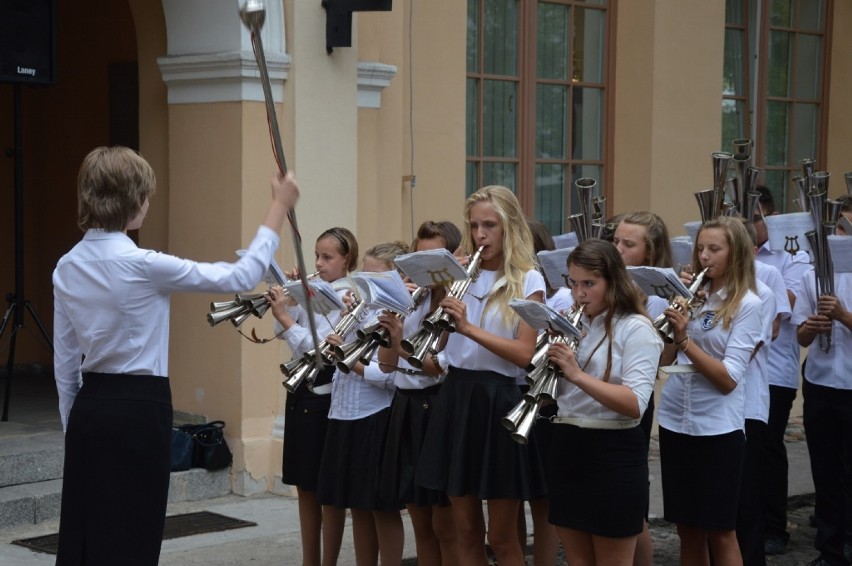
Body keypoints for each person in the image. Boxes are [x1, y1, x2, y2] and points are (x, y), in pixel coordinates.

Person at [52, 146, 298, 565]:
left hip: (89, 408)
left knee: (86, 531)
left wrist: (73, 425)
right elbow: (240, 276)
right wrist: (278, 206)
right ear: (132, 201)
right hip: (138, 408)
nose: (149, 204)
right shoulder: (142, 263)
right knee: (133, 531)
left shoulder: (66, 265)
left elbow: (64, 363)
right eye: (146, 195)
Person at [416, 185, 546, 566]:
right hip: (457, 396)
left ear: (509, 227)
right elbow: (441, 347)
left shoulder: (528, 280)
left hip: (500, 398)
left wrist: (468, 328)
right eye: (474, 226)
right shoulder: (461, 275)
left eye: (489, 225)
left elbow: (524, 354)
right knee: (465, 531)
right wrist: (438, 303)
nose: (480, 235)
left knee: (502, 536)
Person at [546, 238, 663, 566]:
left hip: (613, 453)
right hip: (568, 445)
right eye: (574, 283)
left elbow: (635, 404)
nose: (579, 293)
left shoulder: (637, 328)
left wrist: (576, 373)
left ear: (613, 281)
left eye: (589, 284)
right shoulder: (574, 325)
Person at [657, 215, 762, 566]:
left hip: (717, 427)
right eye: (700, 248)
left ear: (736, 254)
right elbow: (664, 360)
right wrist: (675, 323)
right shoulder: (694, 296)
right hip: (676, 420)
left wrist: (686, 339)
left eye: (714, 249)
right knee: (687, 529)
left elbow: (729, 378)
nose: (704, 256)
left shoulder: (748, 304)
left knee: (720, 530)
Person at [267, 226, 359, 566]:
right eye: (317, 256)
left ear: (346, 259)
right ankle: (310, 560)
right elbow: (282, 332)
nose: (319, 263)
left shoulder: (348, 295)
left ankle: (328, 561)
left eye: (327, 257)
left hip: (325, 395)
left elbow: (320, 348)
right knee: (304, 485)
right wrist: (289, 300)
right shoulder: (315, 289)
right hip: (301, 393)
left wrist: (287, 316)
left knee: (327, 490)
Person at [317, 241, 409, 566]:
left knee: (380, 507)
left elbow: (387, 375)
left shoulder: (395, 313)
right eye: (365, 277)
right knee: (357, 507)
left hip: (375, 414)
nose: (367, 286)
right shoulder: (361, 308)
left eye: (376, 278)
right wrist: (342, 324)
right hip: (343, 410)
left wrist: (348, 358)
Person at [379, 220, 462, 566]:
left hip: (438, 408)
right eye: (420, 256)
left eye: (435, 257)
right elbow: (386, 363)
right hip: (406, 408)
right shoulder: (414, 299)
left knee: (445, 525)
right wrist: (393, 318)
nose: (425, 266)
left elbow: (439, 367)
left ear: (453, 259)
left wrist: (401, 346)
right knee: (421, 523)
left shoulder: (458, 302)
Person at [750, 185, 812, 556]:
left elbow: (786, 303)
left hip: (774, 369)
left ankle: (774, 526)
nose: (749, 225)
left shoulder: (792, 255)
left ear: (770, 218)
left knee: (768, 449)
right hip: (737, 369)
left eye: (755, 218)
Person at [612, 210, 675, 566]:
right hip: (595, 393)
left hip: (632, 396)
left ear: (649, 253)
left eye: (628, 244)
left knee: (631, 509)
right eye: (616, 241)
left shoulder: (659, 296)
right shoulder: (606, 281)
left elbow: (663, 357)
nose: (618, 249)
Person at [791, 233, 852, 566]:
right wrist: (812, 327)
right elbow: (800, 336)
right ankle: (829, 550)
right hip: (821, 381)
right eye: (836, 231)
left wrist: (843, 315)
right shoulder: (810, 276)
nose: (840, 238)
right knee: (826, 471)